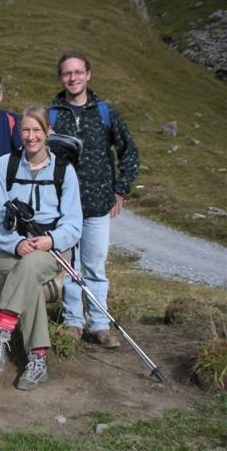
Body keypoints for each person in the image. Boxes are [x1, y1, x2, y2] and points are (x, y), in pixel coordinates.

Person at [0, 104, 82, 390]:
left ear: (48, 131)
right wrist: (16, 243)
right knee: (30, 279)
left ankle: (0, 332)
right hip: (9, 250)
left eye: (37, 130)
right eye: (25, 130)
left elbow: (74, 223)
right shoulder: (5, 165)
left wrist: (52, 240)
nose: (31, 136)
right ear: (18, 132)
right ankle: (38, 360)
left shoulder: (64, 170)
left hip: (52, 250)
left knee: (29, 269)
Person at [51, 51, 140, 348]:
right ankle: (73, 323)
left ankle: (99, 324)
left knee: (95, 267)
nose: (73, 78)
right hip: (63, 207)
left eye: (78, 72)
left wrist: (120, 188)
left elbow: (129, 151)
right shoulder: (52, 116)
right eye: (67, 73)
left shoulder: (105, 113)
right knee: (69, 267)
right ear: (61, 77)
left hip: (98, 206)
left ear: (88, 75)